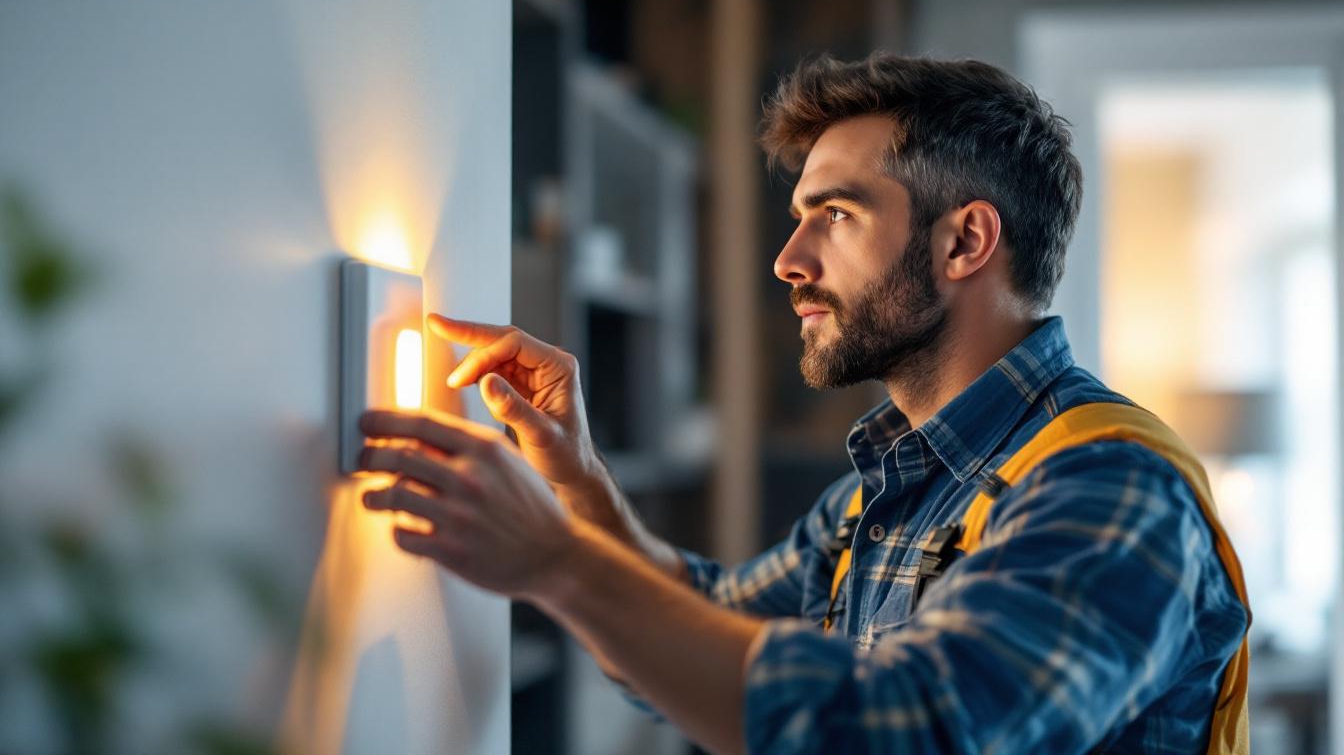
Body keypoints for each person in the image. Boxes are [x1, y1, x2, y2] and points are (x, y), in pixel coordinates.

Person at [356, 53, 1250, 754]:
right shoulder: (891, 486)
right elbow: (711, 625)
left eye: (837, 214)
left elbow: (904, 733)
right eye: (800, 215)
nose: (789, 259)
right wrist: (580, 480)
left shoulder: (1113, 492)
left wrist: (556, 561)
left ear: (966, 241)